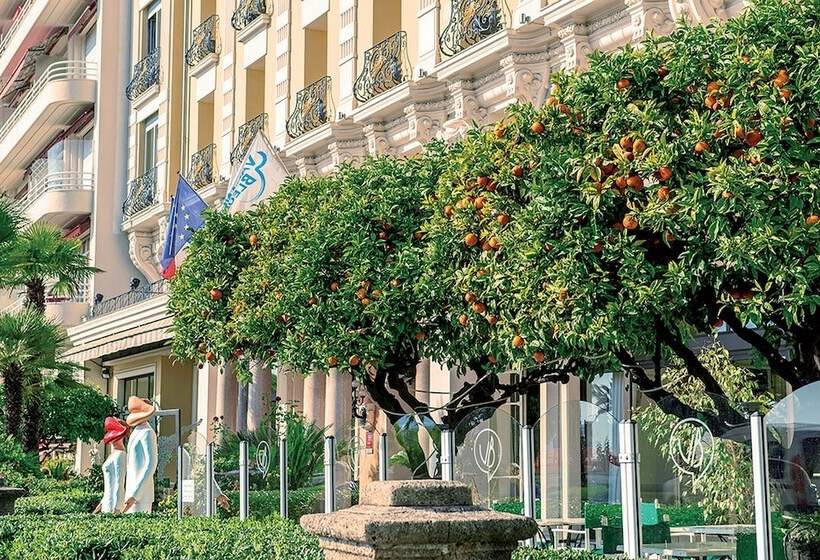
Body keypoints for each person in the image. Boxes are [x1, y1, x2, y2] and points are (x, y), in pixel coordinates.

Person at [123, 396, 159, 513]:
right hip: (131, 492)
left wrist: (135, 494)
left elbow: (151, 464)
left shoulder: (148, 433)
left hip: (141, 495)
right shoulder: (136, 432)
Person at [93, 416, 129, 514]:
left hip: (113, 506)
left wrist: (117, 509)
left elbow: (119, 483)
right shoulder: (113, 455)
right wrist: (101, 504)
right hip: (107, 503)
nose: (113, 439)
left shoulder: (121, 455)